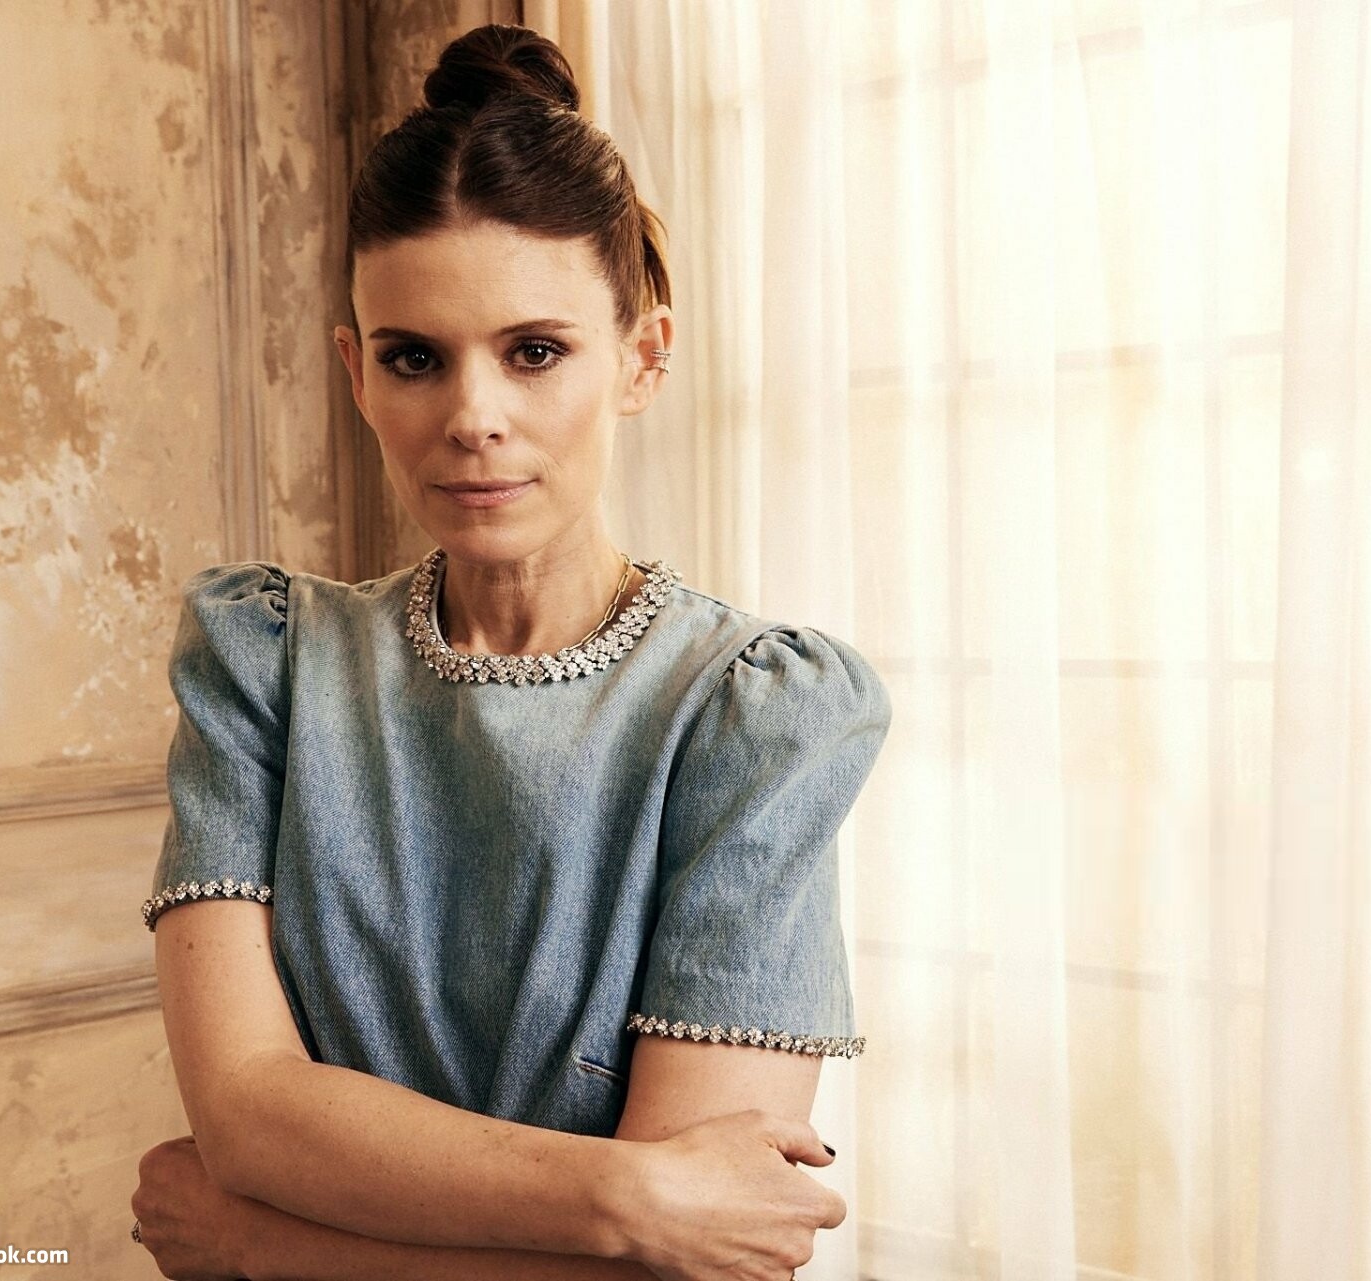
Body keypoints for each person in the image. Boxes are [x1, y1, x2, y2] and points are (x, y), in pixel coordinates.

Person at [126, 23, 892, 1281]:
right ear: (357, 375)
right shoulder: (262, 664)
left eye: (535, 352)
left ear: (643, 357)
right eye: (414, 359)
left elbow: (679, 1268)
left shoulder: (757, 715)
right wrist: (630, 1198)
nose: (472, 417)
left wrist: (259, 1240)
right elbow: (247, 1117)